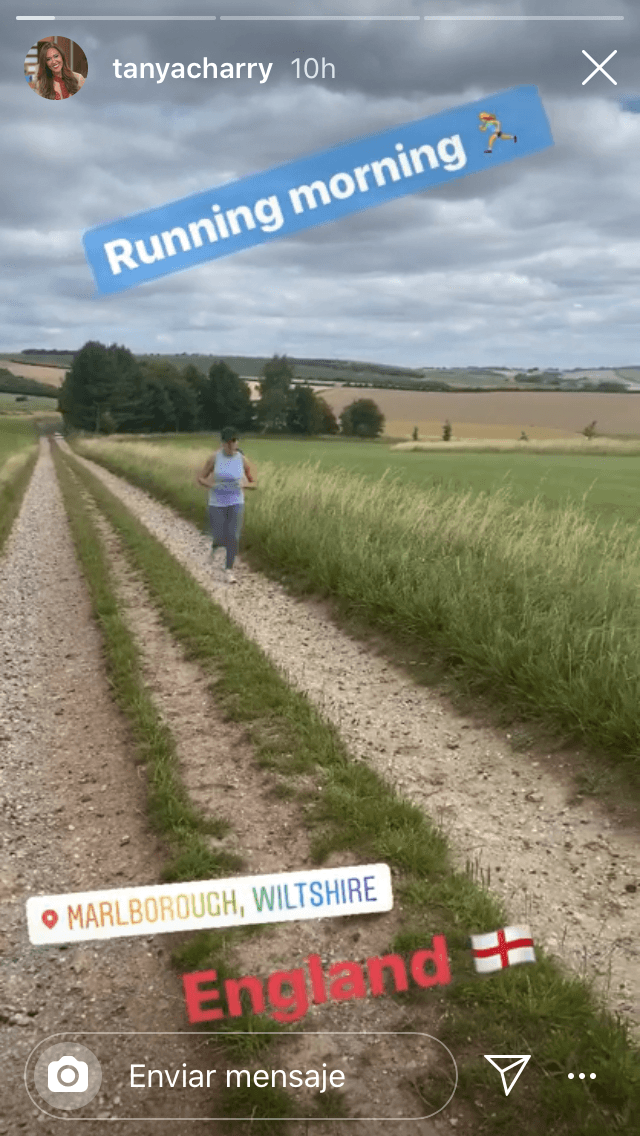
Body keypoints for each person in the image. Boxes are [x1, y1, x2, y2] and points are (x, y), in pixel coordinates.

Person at [197, 427, 256, 583]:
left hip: (236, 501)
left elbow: (254, 482)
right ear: (222, 443)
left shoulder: (242, 459)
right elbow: (201, 478)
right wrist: (211, 485)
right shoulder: (214, 458)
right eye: (228, 443)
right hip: (217, 502)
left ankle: (228, 569)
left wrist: (244, 485)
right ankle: (216, 544)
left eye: (234, 442)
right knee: (218, 534)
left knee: (233, 536)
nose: (231, 446)